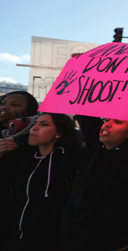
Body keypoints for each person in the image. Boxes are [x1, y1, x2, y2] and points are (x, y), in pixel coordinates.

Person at [61, 79, 128, 250]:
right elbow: (87, 109)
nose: (107, 124)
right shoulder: (95, 148)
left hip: (110, 244)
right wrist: (87, 73)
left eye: (117, 122)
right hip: (73, 239)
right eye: (106, 119)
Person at [9, 113, 84, 250]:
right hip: (20, 238)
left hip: (54, 241)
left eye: (44, 124)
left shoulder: (71, 160)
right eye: (34, 124)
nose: (35, 128)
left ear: (59, 133)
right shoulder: (24, 158)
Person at [0, 91, 39, 249]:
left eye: (15, 105)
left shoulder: (32, 138)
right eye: (3, 103)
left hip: (15, 212)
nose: (5, 107)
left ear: (27, 113)